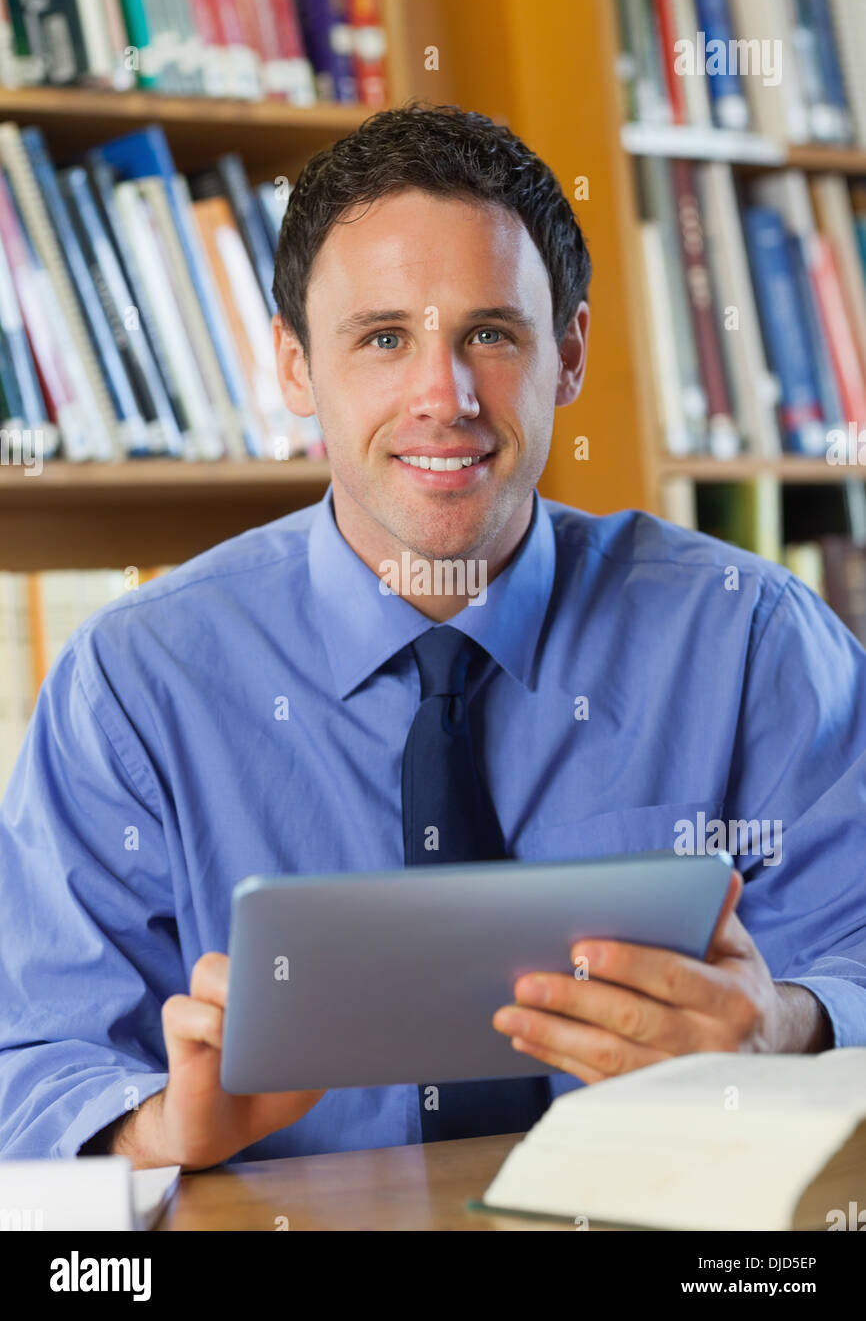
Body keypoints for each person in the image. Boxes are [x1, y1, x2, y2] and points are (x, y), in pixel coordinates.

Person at [1, 104, 863, 1172]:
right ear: (294, 367)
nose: (441, 397)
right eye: (381, 338)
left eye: (489, 335)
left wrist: (783, 1024)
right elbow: (34, 1060)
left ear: (570, 354)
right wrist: (155, 1130)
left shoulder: (748, 641)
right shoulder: (131, 684)